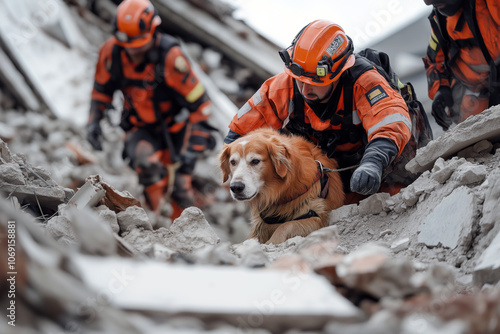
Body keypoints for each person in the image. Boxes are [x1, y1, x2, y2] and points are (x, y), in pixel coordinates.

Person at [224, 20, 418, 205]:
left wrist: (373, 163)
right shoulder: (283, 86)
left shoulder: (366, 83)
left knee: (398, 197)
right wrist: (236, 167)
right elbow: (241, 131)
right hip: (332, 173)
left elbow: (391, 122)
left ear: (338, 73)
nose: (305, 89)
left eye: (314, 83)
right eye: (300, 80)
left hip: (380, 167)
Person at [86, 0, 215, 220]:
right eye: (128, 46)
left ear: (153, 31)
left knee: (181, 186)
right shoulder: (111, 53)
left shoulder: (171, 58)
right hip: (141, 126)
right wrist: (94, 122)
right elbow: (101, 91)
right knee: (147, 168)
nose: (133, 52)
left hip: (178, 128)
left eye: (138, 45)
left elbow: (200, 107)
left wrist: (189, 156)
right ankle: (156, 221)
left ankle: (184, 225)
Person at [423, 0, 500, 131]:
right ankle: (480, 137)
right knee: (470, 124)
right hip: (479, 86)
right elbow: (433, 60)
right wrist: (440, 89)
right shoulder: (440, 20)